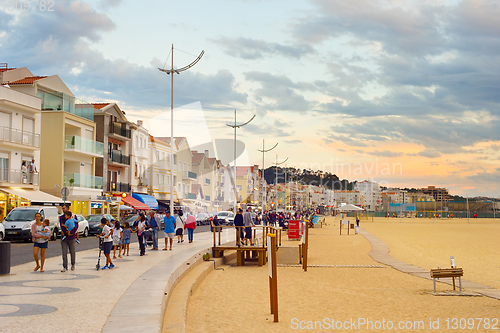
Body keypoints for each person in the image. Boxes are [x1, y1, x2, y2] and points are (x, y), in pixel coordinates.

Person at [59, 206, 78, 272]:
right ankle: (65, 266)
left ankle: (73, 264)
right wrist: (66, 232)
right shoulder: (61, 217)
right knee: (64, 252)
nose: (63, 210)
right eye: (62, 208)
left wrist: (72, 232)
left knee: (72, 251)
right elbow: (62, 225)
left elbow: (76, 225)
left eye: (64, 208)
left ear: (68, 209)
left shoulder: (73, 216)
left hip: (72, 237)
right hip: (64, 237)